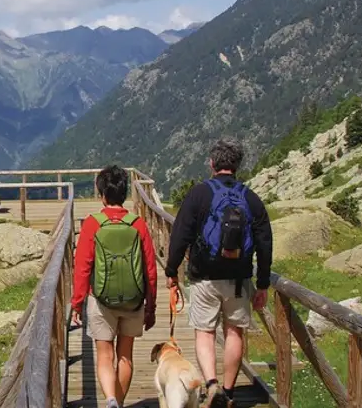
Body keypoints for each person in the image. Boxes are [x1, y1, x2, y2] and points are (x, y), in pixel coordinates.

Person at [164, 138, 273, 408]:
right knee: (235, 331)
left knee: (205, 332)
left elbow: (180, 234)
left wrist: (171, 271)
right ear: (236, 166)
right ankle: (229, 390)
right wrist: (263, 283)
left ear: (212, 164)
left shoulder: (199, 194)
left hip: (204, 275)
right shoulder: (250, 197)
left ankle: (212, 385)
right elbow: (265, 241)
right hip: (238, 278)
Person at [71, 165, 158, 408]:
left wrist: (77, 302)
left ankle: (110, 400)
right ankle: (118, 402)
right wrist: (151, 306)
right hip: (134, 300)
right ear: (124, 193)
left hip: (101, 300)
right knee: (125, 356)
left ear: (102, 194)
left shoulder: (92, 224)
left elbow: (83, 267)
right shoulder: (138, 224)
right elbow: (150, 270)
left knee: (104, 355)